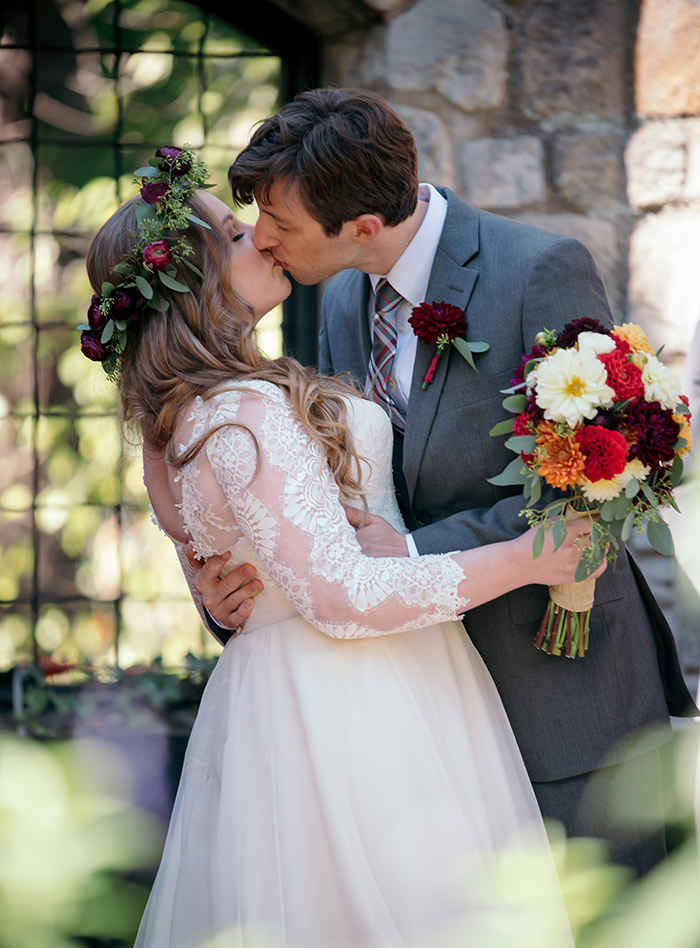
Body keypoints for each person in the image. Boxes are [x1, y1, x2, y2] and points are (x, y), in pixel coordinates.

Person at [83, 153, 604, 948]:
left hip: (282, 701)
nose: (268, 239)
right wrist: (532, 556)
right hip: (359, 700)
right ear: (201, 276)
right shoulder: (243, 408)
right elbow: (344, 595)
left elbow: (228, 563)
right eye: (242, 235)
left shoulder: (172, 419)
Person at [192, 87, 696, 879]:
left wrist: (414, 550)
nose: (261, 238)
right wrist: (248, 586)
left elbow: (591, 487)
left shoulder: (538, 269)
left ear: (360, 226)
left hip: (557, 688)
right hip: (419, 709)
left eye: (280, 224)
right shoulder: (342, 295)